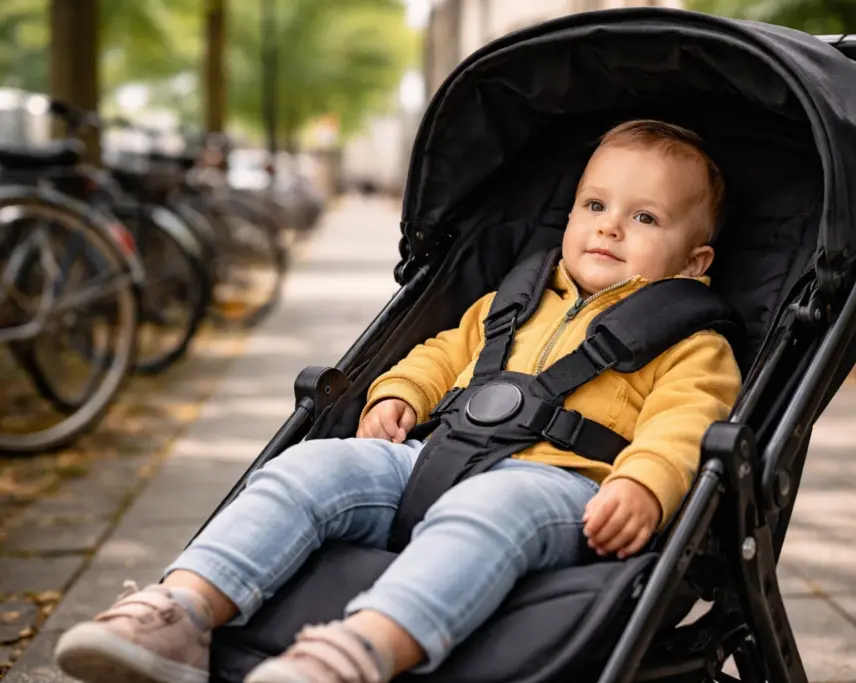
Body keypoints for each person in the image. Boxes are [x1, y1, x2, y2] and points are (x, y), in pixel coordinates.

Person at [53, 119, 742, 683]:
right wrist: (400, 394)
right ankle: (180, 611)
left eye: (644, 217)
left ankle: (358, 651)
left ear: (693, 263)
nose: (609, 228)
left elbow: (688, 422)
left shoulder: (689, 341)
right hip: (435, 459)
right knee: (310, 467)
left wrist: (644, 484)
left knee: (491, 507)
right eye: (594, 205)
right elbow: (443, 354)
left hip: (563, 491)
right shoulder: (519, 297)